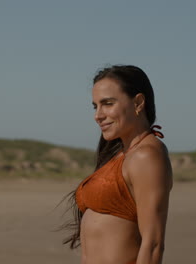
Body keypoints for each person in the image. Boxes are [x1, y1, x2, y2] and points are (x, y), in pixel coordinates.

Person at [61, 65, 173, 264]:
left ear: (138, 102)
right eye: (96, 106)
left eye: (108, 103)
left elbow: (153, 243)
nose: (98, 115)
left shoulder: (146, 155)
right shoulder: (120, 154)